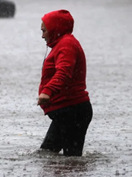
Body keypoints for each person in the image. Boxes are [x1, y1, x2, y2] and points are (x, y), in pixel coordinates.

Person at [37, 9, 93, 157]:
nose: (42, 36)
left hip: (73, 111)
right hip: (67, 111)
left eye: (44, 31)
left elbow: (64, 72)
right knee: (47, 155)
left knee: (72, 159)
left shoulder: (66, 45)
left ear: (55, 28)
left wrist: (47, 91)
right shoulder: (62, 44)